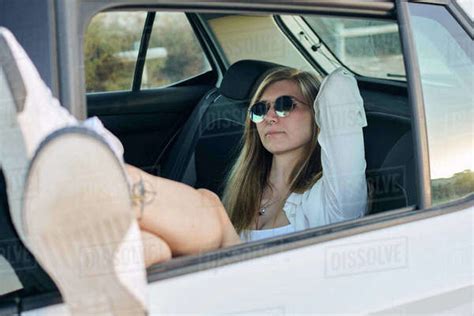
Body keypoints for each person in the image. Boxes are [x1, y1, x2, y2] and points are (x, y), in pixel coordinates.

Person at [223, 67, 368, 242]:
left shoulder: (330, 199)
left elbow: (339, 87)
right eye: (260, 109)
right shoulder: (242, 190)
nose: (269, 117)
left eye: (285, 105)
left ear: (317, 114)